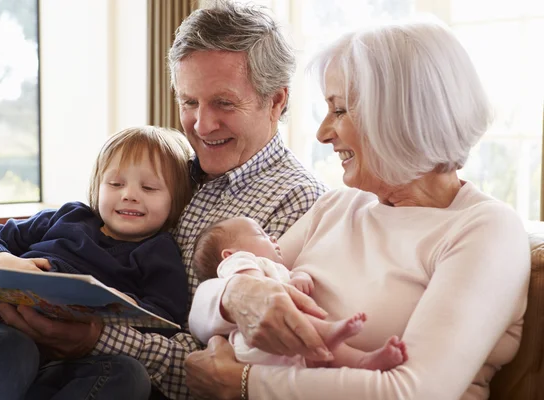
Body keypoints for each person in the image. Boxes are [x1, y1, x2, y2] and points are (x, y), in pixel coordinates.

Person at [0, 2, 327, 399]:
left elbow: (228, 374)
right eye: (189, 101)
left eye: (224, 103)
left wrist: (96, 340)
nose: (202, 124)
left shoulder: (301, 204)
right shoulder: (168, 169)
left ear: (277, 101)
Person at [184, 18, 531, 400]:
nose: (322, 133)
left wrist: (245, 383)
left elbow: (412, 391)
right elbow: (202, 306)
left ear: (399, 115)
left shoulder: (485, 229)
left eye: (339, 110)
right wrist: (235, 296)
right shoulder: (338, 205)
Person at [0, 126, 193, 400]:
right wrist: (4, 261)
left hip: (66, 360)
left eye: (149, 187)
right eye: (115, 184)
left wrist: (125, 304)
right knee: (12, 347)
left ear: (176, 199)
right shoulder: (69, 217)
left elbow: (166, 319)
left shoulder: (161, 253)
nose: (129, 195)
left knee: (129, 375)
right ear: (97, 186)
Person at [192, 216, 408, 370]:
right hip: (256, 343)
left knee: (327, 354)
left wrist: (299, 277)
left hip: (284, 357)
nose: (274, 237)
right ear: (230, 254)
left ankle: (364, 362)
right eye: (261, 234)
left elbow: (290, 278)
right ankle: (329, 330)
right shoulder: (241, 262)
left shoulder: (275, 268)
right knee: (298, 318)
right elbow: (254, 290)